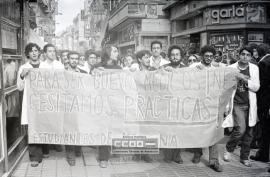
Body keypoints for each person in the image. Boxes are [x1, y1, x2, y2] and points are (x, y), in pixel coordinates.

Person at [223, 46, 260, 167]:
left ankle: (245, 157)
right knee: (240, 130)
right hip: (237, 104)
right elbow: (226, 87)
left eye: (248, 55)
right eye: (243, 54)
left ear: (251, 57)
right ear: (239, 55)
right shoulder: (231, 68)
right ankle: (228, 149)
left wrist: (244, 80)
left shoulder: (254, 68)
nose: (245, 57)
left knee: (249, 133)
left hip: (250, 104)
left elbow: (256, 87)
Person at [190, 45, 223, 172]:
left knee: (213, 132)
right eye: (206, 56)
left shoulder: (217, 69)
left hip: (212, 105)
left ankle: (214, 161)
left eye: (211, 56)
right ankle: (198, 153)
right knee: (199, 130)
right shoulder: (194, 67)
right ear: (202, 56)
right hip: (198, 104)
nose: (209, 58)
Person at [17, 43, 49, 167]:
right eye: (31, 51)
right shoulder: (23, 67)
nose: (34, 53)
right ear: (28, 54)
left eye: (36, 50)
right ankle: (35, 156)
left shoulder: (46, 66)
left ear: (39, 52)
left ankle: (45, 149)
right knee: (33, 128)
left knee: (45, 125)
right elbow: (19, 88)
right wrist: (22, 76)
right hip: (31, 103)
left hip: (44, 101)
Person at [92, 45, 122, 168]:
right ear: (108, 53)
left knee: (113, 129)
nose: (117, 53)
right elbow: (90, 84)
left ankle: (112, 150)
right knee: (104, 130)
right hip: (102, 105)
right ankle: (103, 158)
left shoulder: (119, 68)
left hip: (115, 104)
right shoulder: (97, 67)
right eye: (114, 51)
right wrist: (94, 74)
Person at [163, 45, 185, 164]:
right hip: (167, 104)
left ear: (181, 56)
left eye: (177, 54)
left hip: (181, 105)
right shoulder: (164, 68)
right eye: (172, 54)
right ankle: (167, 154)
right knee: (168, 130)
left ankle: (177, 155)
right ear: (169, 56)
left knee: (179, 130)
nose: (175, 57)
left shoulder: (186, 69)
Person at [39, 44, 64, 152]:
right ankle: (46, 146)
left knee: (57, 120)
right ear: (45, 53)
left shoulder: (59, 64)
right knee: (46, 121)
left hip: (57, 96)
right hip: (46, 96)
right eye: (49, 51)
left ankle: (56, 143)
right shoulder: (41, 66)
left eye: (54, 51)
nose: (52, 53)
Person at [250, 44, 270, 163]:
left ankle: (263, 155)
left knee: (265, 129)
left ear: (259, 52)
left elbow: (261, 85)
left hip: (265, 103)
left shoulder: (263, 63)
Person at [64, 51, 83, 166]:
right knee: (69, 130)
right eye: (72, 58)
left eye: (76, 58)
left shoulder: (84, 73)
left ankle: (77, 149)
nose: (74, 60)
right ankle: (70, 154)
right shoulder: (62, 73)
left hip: (81, 106)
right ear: (68, 60)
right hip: (67, 106)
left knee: (79, 128)